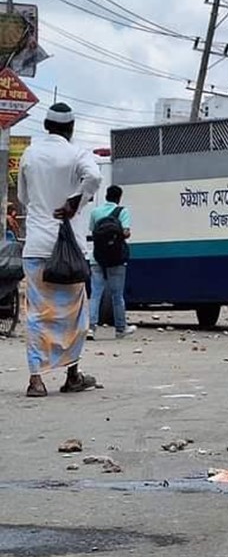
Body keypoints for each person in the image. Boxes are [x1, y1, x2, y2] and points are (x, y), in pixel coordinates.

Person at [18, 103, 103, 398]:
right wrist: (74, 201)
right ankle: (72, 375)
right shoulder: (77, 154)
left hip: (37, 246)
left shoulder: (30, 154)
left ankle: (36, 381)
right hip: (70, 249)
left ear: (46, 126)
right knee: (74, 315)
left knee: (37, 315)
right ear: (71, 128)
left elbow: (23, 196)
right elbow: (94, 177)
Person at [87, 185, 135, 340]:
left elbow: (93, 232)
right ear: (119, 197)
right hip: (116, 259)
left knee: (95, 294)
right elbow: (126, 232)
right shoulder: (123, 212)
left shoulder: (95, 212)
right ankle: (120, 328)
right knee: (117, 295)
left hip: (97, 258)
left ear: (106, 196)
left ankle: (91, 328)